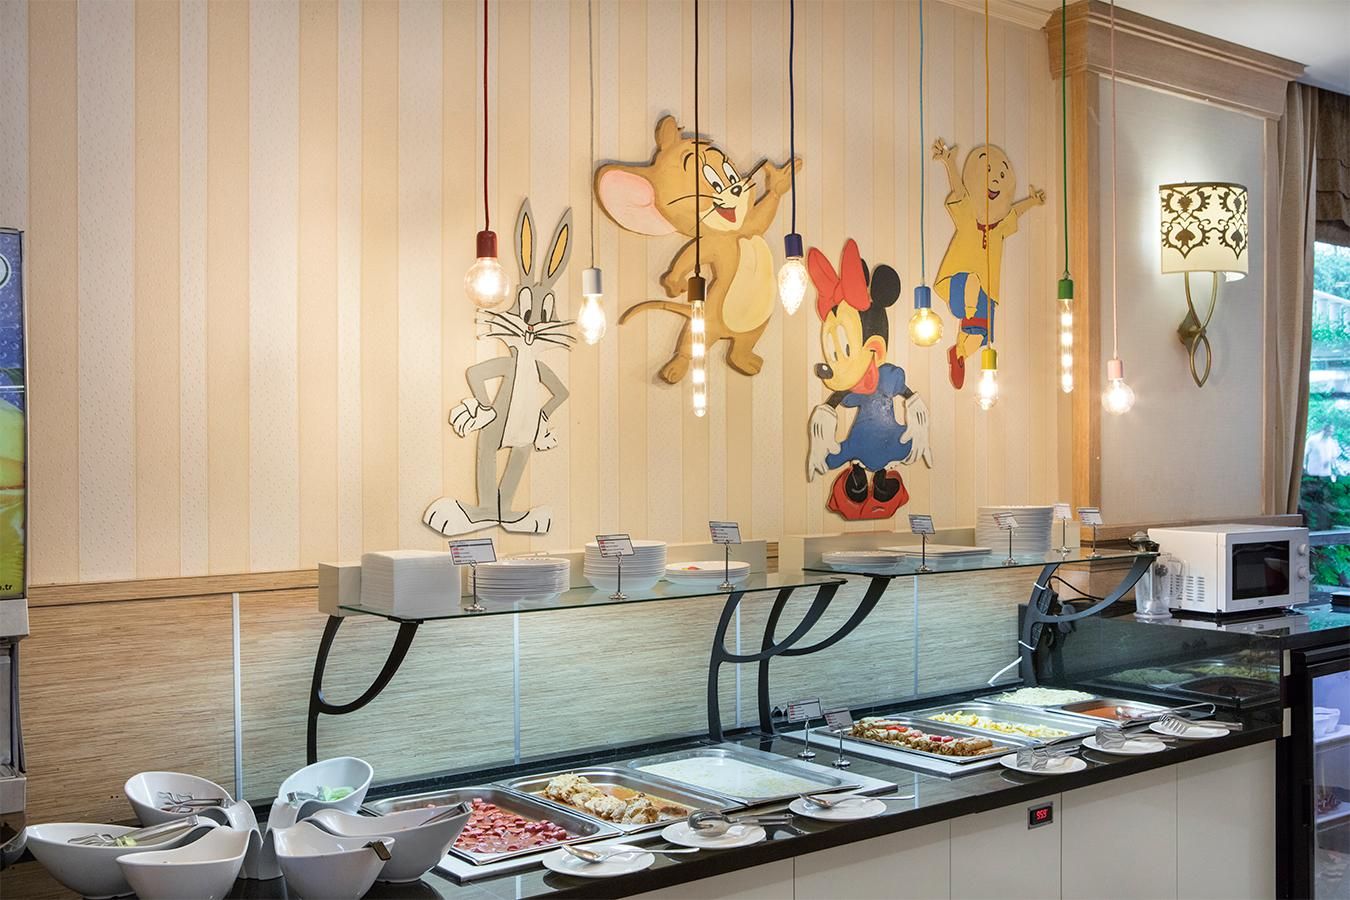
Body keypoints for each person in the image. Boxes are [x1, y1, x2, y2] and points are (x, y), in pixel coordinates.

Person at [1302, 425, 1344, 530]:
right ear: (1324, 429)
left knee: (1324, 501)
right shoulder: (1313, 440)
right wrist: (1304, 470)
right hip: (1313, 475)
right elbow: (1304, 455)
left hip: (1326, 475)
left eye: (1332, 431)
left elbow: (1334, 457)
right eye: (1329, 430)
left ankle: (1324, 524)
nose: (1331, 432)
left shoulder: (1331, 442)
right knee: (1312, 502)